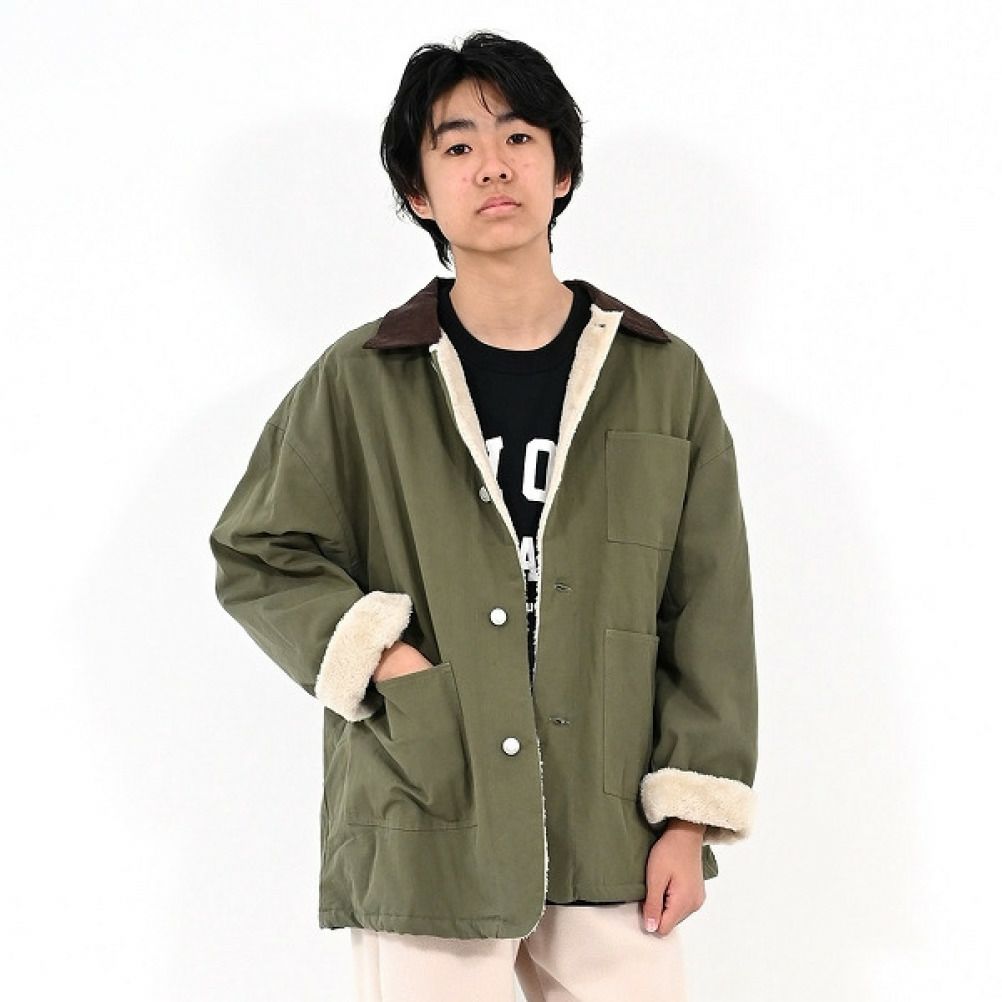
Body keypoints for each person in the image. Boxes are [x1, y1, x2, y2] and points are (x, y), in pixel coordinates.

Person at [209, 30, 759, 1002]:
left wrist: (687, 819)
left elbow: (707, 604)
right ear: (419, 192)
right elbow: (258, 550)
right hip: (428, 812)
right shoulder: (361, 381)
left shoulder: (661, 378)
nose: (492, 165)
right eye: (457, 144)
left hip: (612, 825)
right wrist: (384, 658)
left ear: (562, 169)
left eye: (518, 137)